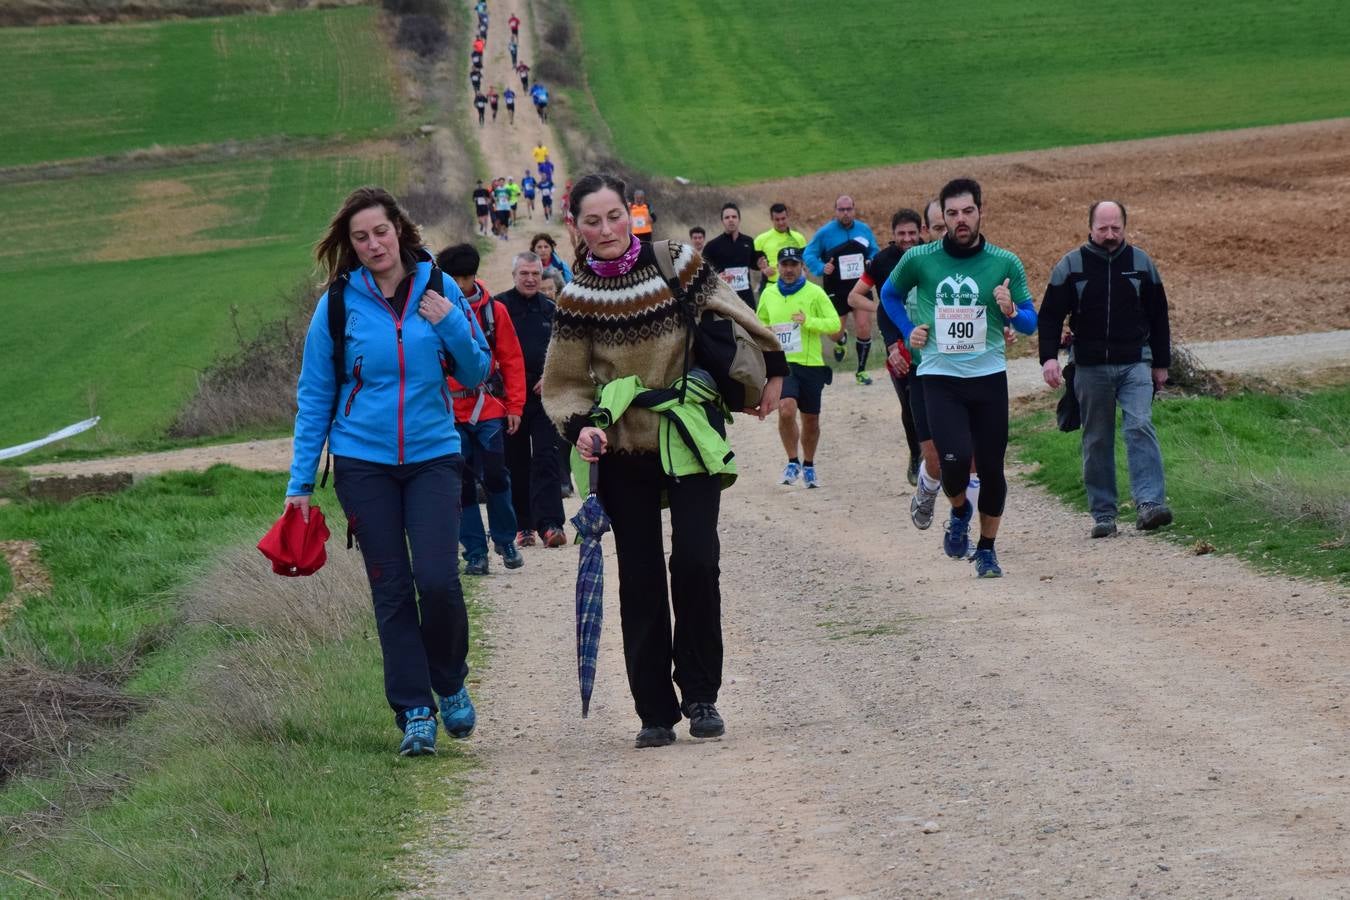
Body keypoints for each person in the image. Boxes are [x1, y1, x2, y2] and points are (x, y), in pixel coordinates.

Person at [541, 173, 786, 748]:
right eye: (593, 221)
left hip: (689, 433)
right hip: (622, 446)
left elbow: (734, 309)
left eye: (615, 216)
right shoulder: (576, 297)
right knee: (642, 576)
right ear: (575, 226)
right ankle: (654, 709)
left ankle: (701, 694)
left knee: (697, 563)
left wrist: (776, 369)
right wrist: (582, 430)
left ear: (633, 213)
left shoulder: (675, 261)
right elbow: (563, 383)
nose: (606, 229)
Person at [287, 186, 490, 756]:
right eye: (361, 237)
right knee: (392, 589)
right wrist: (300, 484)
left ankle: (448, 683)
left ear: (399, 230)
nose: (373, 244)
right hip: (363, 464)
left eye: (380, 231)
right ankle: (415, 712)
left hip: (433, 457)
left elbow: (476, 372)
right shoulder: (336, 305)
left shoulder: (441, 287)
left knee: (438, 580)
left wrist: (451, 322)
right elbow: (315, 396)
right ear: (350, 246)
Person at [881, 178, 1038, 578]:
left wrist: (1010, 312)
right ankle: (958, 510)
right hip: (940, 376)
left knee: (991, 468)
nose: (960, 219)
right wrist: (907, 329)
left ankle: (986, 549)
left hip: (988, 377)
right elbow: (889, 294)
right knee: (951, 463)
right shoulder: (921, 258)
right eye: (952, 213)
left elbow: (1030, 323)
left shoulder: (1005, 263)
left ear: (981, 211)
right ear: (943, 218)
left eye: (967, 211)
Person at [1039, 200, 1173, 537]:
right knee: (1097, 438)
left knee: (1140, 425)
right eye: (1103, 228)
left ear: (1125, 228)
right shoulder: (1071, 266)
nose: (1110, 235)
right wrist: (1049, 358)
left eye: (1116, 228)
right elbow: (1051, 315)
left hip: (1135, 362)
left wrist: (1161, 364)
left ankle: (1150, 504)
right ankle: (1103, 514)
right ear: (1090, 228)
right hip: (1090, 365)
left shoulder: (1142, 264)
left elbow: (1159, 316)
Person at [437, 244, 528, 575]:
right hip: (448, 412)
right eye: (455, 278)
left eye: (467, 277)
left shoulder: (495, 312)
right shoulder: (431, 312)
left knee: (496, 476)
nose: (461, 285)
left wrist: (515, 405)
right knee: (460, 485)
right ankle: (474, 551)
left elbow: (512, 359)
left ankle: (505, 540)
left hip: (488, 407)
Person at [848, 208, 925, 483]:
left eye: (912, 233)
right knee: (909, 403)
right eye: (901, 234)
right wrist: (881, 306)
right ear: (892, 235)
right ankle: (916, 454)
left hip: (929, 338)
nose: (907, 238)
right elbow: (854, 297)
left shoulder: (931, 254)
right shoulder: (881, 261)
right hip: (897, 342)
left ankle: (938, 454)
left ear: (921, 232)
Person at [499, 252, 568, 548]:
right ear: (514, 275)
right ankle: (522, 526)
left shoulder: (551, 310)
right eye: (524, 273)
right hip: (509, 398)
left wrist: (550, 376)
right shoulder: (499, 307)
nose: (529, 279)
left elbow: (565, 350)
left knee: (546, 458)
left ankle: (550, 524)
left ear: (542, 277)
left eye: (535, 275)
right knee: (515, 461)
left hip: (543, 396)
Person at [758, 247, 838, 488]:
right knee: (786, 408)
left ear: (801, 266)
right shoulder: (769, 294)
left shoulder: (815, 293)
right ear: (778, 266)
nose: (789, 269)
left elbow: (834, 324)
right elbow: (758, 322)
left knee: (811, 420)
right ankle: (792, 461)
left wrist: (809, 321)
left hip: (811, 364)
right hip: (784, 365)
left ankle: (809, 465)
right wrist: (766, 332)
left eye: (793, 264)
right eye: (784, 265)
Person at [805, 195, 879, 384]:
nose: (845, 213)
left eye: (849, 209)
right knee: (834, 333)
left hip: (860, 286)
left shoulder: (863, 229)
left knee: (864, 326)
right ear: (835, 211)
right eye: (841, 209)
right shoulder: (825, 233)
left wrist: (871, 259)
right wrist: (822, 268)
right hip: (836, 288)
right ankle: (841, 339)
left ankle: (861, 371)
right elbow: (808, 254)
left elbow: (874, 250)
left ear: (854, 209)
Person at [702, 202, 763, 310]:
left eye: (734, 217)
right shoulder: (712, 246)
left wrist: (760, 264)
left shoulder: (748, 241)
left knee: (751, 325)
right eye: (727, 217)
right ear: (722, 221)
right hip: (725, 297)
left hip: (746, 296)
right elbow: (703, 272)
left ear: (739, 219)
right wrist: (717, 277)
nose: (731, 220)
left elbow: (754, 263)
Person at [753, 202, 807, 292]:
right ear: (771, 219)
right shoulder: (760, 240)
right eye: (777, 220)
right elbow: (753, 263)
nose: (781, 222)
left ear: (787, 217)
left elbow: (804, 263)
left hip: (796, 287)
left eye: (783, 218)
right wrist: (763, 269)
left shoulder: (799, 238)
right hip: (771, 287)